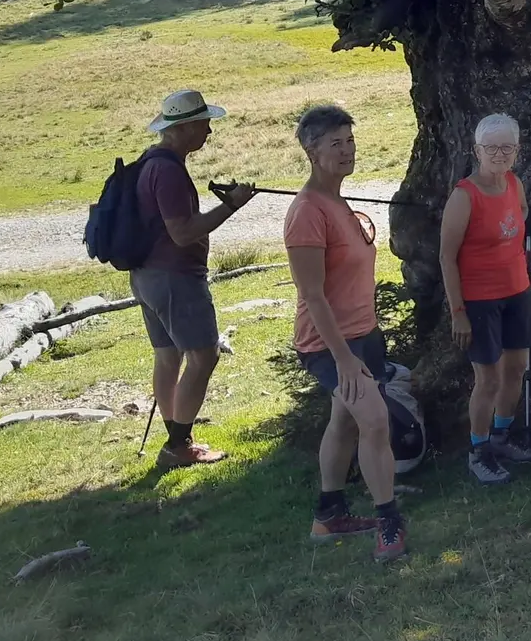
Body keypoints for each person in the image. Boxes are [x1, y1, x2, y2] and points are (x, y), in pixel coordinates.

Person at [285, 104, 405, 564]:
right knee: (374, 422)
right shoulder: (306, 212)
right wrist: (343, 358)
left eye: (350, 140)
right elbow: (313, 296)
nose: (346, 150)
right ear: (311, 152)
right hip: (329, 344)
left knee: (345, 421)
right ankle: (389, 520)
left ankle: (329, 515)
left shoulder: (337, 202)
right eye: (335, 143)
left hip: (363, 335)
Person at [132, 89, 255, 470]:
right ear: (184, 127)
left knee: (168, 355)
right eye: (204, 124)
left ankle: (175, 436)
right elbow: (182, 233)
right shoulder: (168, 171)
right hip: (175, 279)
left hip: (147, 276)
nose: (209, 132)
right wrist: (231, 205)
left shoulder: (150, 161)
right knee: (203, 356)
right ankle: (179, 444)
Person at [439, 112, 531, 486]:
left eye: (507, 147)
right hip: (479, 301)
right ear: (476, 151)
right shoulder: (464, 197)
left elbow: (521, 215)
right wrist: (458, 311)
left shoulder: (514, 184)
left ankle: (501, 436)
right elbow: (446, 257)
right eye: (491, 148)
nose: (499, 154)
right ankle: (478, 450)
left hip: (517, 292)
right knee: (488, 379)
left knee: (516, 368)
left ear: (517, 150)